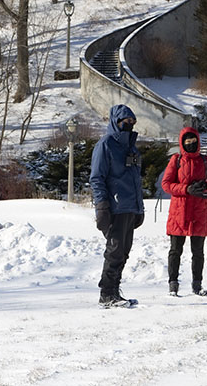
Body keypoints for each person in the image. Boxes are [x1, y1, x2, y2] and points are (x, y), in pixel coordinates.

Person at [89, 105, 144, 308]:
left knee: (124, 251)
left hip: (130, 207)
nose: (128, 125)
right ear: (116, 122)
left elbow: (136, 179)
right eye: (125, 122)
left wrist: (140, 208)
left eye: (132, 122)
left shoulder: (131, 147)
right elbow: (97, 177)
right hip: (115, 206)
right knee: (115, 250)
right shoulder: (105, 145)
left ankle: (115, 289)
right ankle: (107, 293)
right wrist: (102, 206)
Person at [161, 126, 207, 297]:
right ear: (182, 143)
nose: (191, 145)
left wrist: (206, 186)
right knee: (175, 250)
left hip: (199, 211)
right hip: (179, 212)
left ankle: (197, 284)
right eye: (187, 142)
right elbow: (166, 184)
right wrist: (186, 189)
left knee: (198, 251)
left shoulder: (204, 161)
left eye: (193, 141)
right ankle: (173, 284)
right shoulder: (176, 160)